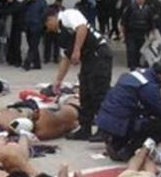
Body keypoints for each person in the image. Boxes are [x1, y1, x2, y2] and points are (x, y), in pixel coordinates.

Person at [48, 8, 113, 141]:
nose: (48, 29)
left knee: (98, 93)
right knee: (85, 93)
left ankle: (105, 130)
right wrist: (58, 80)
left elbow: (82, 28)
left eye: (46, 25)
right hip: (88, 59)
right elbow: (65, 58)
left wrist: (76, 50)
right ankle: (85, 128)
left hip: (99, 53)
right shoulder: (61, 35)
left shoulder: (68, 15)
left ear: (51, 18)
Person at [96, 61, 161, 162]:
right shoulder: (149, 86)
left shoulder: (133, 74)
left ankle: (117, 145)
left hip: (104, 118)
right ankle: (128, 151)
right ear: (160, 76)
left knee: (139, 118)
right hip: (120, 123)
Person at [119, 0, 154, 70]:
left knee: (140, 49)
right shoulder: (130, 8)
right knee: (131, 49)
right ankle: (132, 65)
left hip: (142, 33)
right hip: (131, 33)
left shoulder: (148, 9)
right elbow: (123, 21)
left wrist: (152, 32)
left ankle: (138, 64)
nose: (140, 0)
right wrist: (122, 33)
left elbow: (151, 22)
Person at [21, 0, 48, 71]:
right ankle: (37, 64)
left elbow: (44, 14)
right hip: (28, 27)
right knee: (33, 45)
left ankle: (27, 63)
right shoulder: (26, 2)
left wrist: (40, 24)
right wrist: (26, 1)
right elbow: (20, 9)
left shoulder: (42, 2)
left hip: (37, 27)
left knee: (33, 46)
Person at [2, 0, 22, 67]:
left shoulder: (17, 4)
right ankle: (11, 60)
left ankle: (18, 61)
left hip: (17, 27)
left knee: (16, 44)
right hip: (9, 26)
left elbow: (11, 11)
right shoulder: (7, 5)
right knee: (10, 44)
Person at [43, 0, 64, 64]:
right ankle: (46, 58)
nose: (59, 3)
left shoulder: (62, 9)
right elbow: (44, 17)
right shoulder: (49, 7)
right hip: (49, 29)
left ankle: (55, 58)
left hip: (57, 29)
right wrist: (45, 26)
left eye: (60, 2)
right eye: (58, 1)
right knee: (47, 45)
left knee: (56, 46)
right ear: (55, 1)